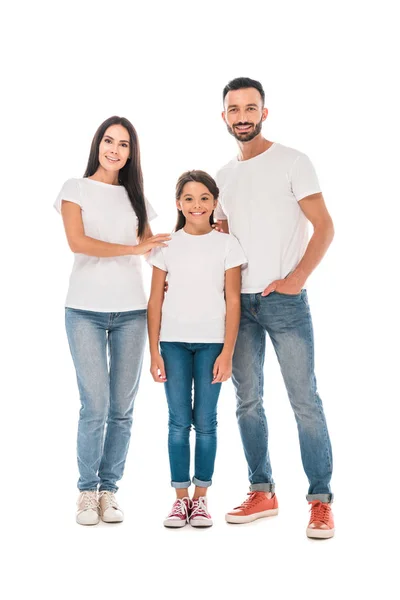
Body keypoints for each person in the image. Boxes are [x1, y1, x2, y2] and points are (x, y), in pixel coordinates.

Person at [215, 77, 335, 539]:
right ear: (223, 117)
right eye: (233, 109)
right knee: (247, 402)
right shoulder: (223, 176)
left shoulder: (293, 161)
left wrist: (296, 280)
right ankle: (262, 490)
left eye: (250, 107)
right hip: (238, 305)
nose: (242, 116)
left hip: (284, 303)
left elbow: (323, 226)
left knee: (304, 402)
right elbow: (223, 243)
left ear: (264, 112)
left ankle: (320, 500)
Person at [54, 116, 171, 525]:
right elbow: (77, 242)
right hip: (84, 310)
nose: (115, 149)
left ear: (131, 153)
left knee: (122, 408)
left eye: (123, 144)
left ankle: (109, 490)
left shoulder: (136, 198)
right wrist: (133, 249)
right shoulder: (76, 188)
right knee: (95, 405)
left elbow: (153, 251)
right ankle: (86, 491)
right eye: (109, 140)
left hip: (131, 314)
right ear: (97, 144)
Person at [147, 170, 247, 528]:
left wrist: (228, 353)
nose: (197, 205)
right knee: (178, 422)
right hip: (172, 344)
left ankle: (201, 499)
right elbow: (155, 301)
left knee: (205, 422)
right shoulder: (167, 245)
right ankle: (180, 499)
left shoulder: (228, 244)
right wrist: (154, 351)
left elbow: (233, 301)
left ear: (214, 202)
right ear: (178, 204)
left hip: (212, 345)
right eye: (188, 198)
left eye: (204, 198)